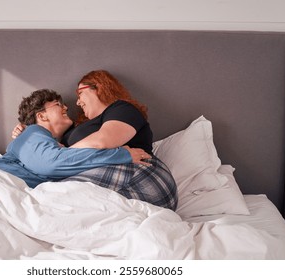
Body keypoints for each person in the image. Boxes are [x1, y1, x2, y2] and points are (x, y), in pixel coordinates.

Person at [11, 70, 178, 210]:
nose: (76, 102)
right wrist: (26, 133)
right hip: (113, 180)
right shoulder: (76, 129)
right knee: (47, 199)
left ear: (98, 88)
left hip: (140, 173)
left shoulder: (122, 108)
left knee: (48, 199)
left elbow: (102, 141)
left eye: (80, 93)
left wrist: (61, 155)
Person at [0, 89, 151, 188]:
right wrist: (121, 154)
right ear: (41, 116)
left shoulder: (46, 143)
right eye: (58, 104)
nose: (66, 107)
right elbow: (52, 164)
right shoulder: (32, 132)